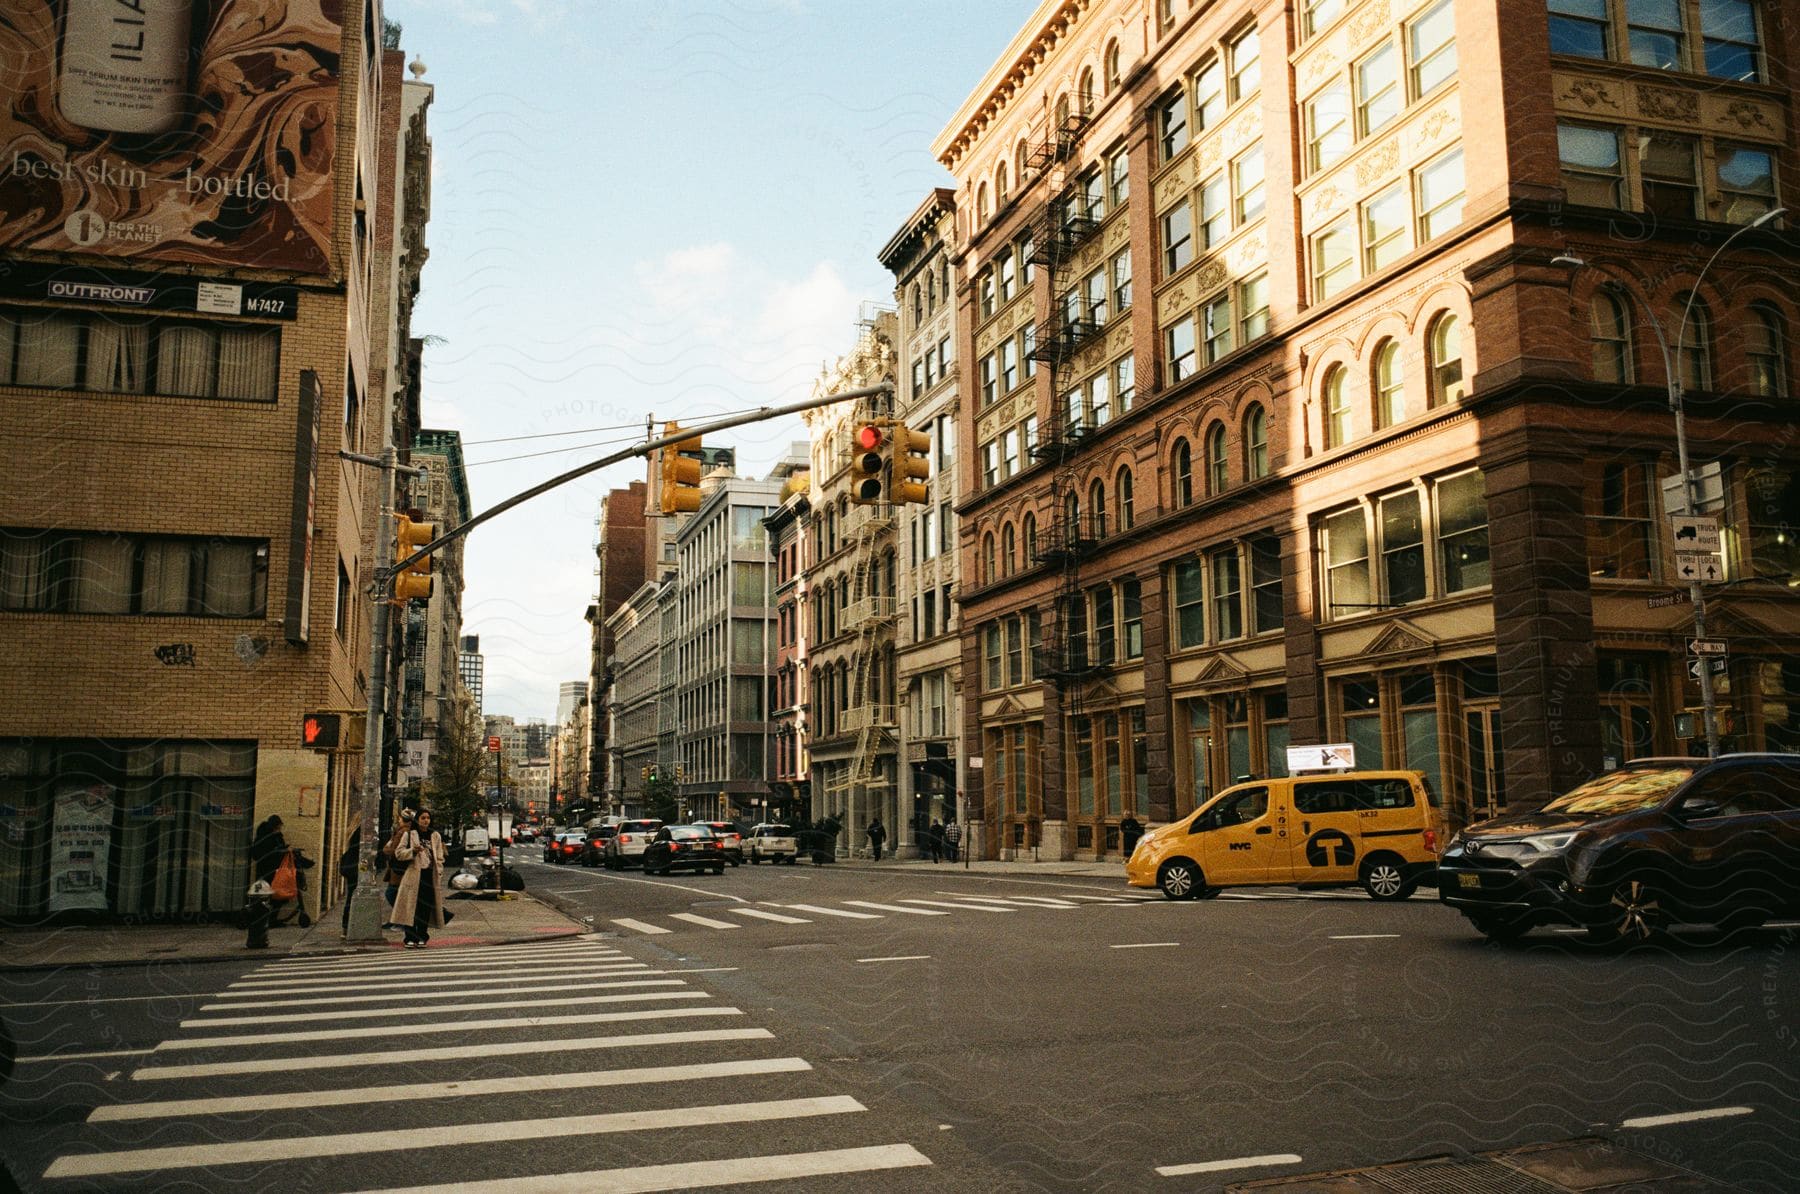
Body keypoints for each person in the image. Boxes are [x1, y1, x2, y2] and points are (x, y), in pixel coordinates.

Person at [390, 809, 446, 948]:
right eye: (423, 818)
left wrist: (439, 869)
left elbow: (439, 856)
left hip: (429, 875)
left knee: (424, 908)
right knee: (410, 907)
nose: (426, 820)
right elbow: (398, 853)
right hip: (413, 875)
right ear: (417, 820)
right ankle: (409, 936)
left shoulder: (435, 835)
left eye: (428, 818)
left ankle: (422, 935)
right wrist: (412, 851)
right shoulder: (409, 835)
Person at [337, 826, 362, 935]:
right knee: (353, 897)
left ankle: (346, 927)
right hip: (356, 868)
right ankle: (348, 926)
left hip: (350, 866)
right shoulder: (362, 831)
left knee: (351, 897)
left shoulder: (354, 830)